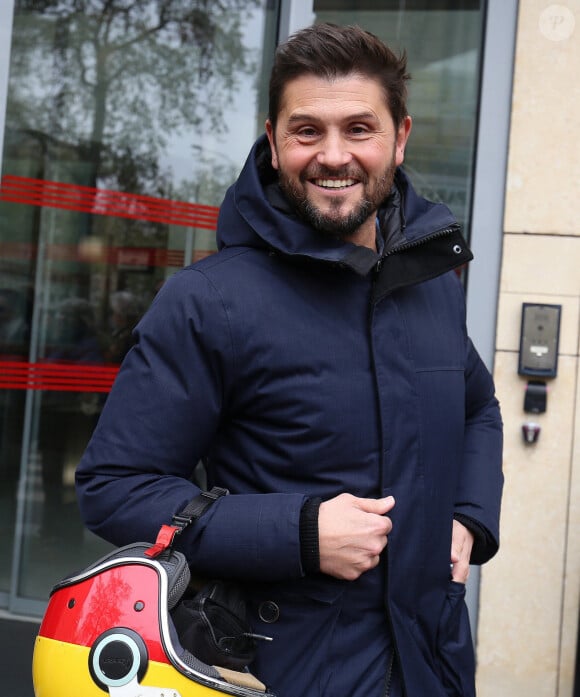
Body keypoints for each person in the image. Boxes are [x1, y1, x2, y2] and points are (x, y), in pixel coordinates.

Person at [76, 23, 503, 697]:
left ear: (401, 137)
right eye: (308, 131)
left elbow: (477, 405)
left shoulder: (430, 284)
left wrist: (469, 518)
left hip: (432, 657)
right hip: (283, 669)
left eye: (359, 128)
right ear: (273, 143)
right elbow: (114, 485)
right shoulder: (207, 300)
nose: (334, 155)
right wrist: (298, 532)